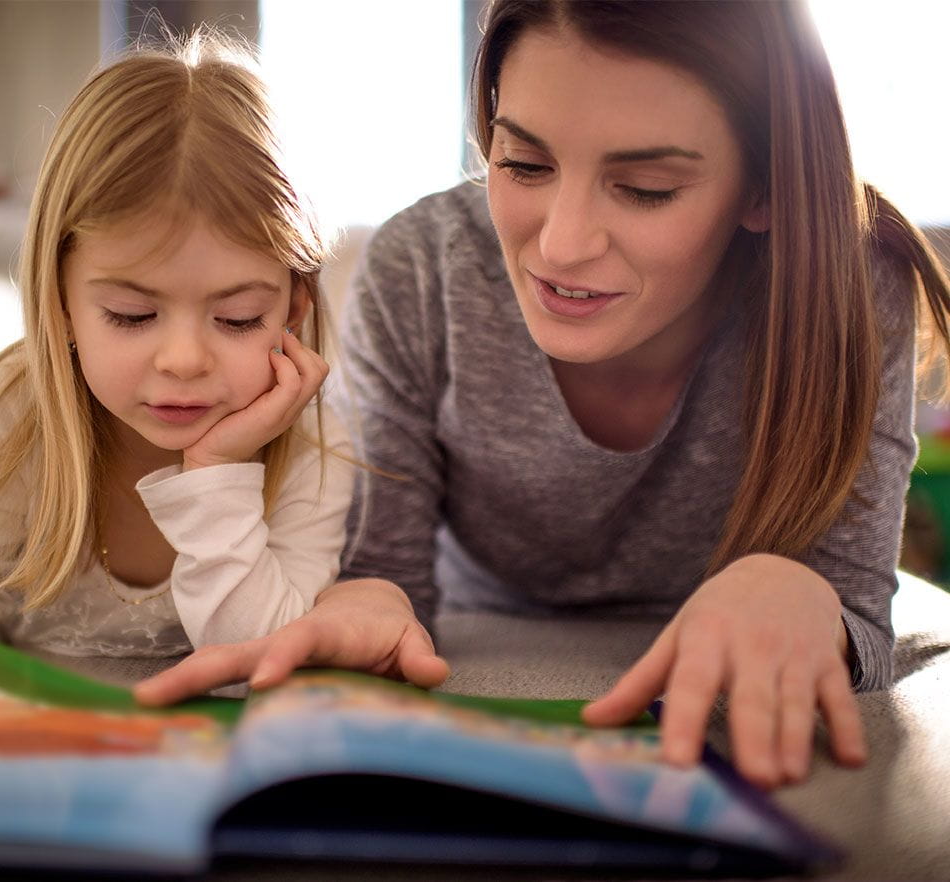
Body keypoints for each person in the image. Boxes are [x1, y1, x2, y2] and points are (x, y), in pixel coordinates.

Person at [136, 0, 950, 791]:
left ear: (763, 188)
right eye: (522, 163)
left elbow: (857, 618)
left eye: (647, 187)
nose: (560, 245)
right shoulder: (423, 267)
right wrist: (368, 601)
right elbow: (385, 572)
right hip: (482, 616)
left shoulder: (854, 285)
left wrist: (806, 597)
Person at [0, 34, 354, 660]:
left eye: (237, 318)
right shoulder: (19, 408)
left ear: (291, 308)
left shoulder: (314, 448)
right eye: (131, 314)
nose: (183, 360)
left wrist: (218, 475)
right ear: (59, 303)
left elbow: (265, 656)